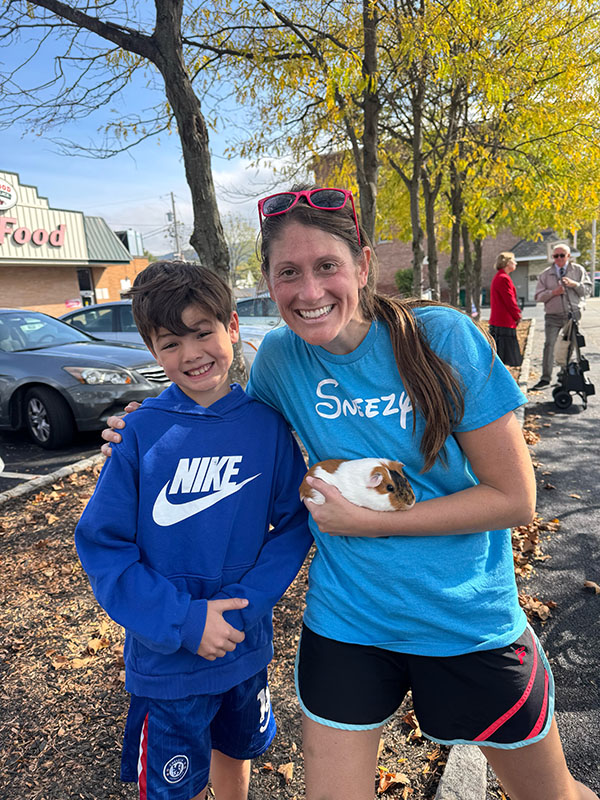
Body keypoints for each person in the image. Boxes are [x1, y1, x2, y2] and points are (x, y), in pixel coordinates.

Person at [102, 189, 599, 800]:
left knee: (552, 796)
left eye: (327, 267)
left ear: (363, 265)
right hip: (349, 621)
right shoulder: (281, 360)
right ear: (269, 283)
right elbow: (226, 433)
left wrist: (369, 522)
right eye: (289, 273)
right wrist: (141, 429)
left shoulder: (441, 338)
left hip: (465, 619)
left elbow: (515, 499)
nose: (309, 292)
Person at [77, 261, 312, 800]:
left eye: (202, 332)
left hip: (243, 648)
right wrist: (184, 621)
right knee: (172, 787)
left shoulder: (267, 425)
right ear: (152, 350)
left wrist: (244, 607)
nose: (191, 354)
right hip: (167, 664)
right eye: (170, 342)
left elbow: (294, 524)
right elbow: (103, 546)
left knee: (237, 755)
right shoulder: (138, 434)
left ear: (231, 326)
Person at [532, 243, 592, 389]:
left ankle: (563, 376)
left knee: (569, 346)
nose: (558, 258)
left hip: (573, 315)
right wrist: (553, 293)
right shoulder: (546, 274)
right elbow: (538, 296)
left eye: (561, 255)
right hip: (553, 316)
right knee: (549, 345)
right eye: (555, 256)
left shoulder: (578, 270)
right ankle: (545, 378)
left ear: (568, 256)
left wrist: (574, 284)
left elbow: (588, 290)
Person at [489, 251, 522, 366]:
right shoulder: (503, 278)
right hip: (504, 323)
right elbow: (509, 301)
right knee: (504, 358)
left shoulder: (499, 277)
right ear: (507, 263)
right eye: (513, 260)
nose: (516, 263)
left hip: (498, 322)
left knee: (499, 357)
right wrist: (517, 315)